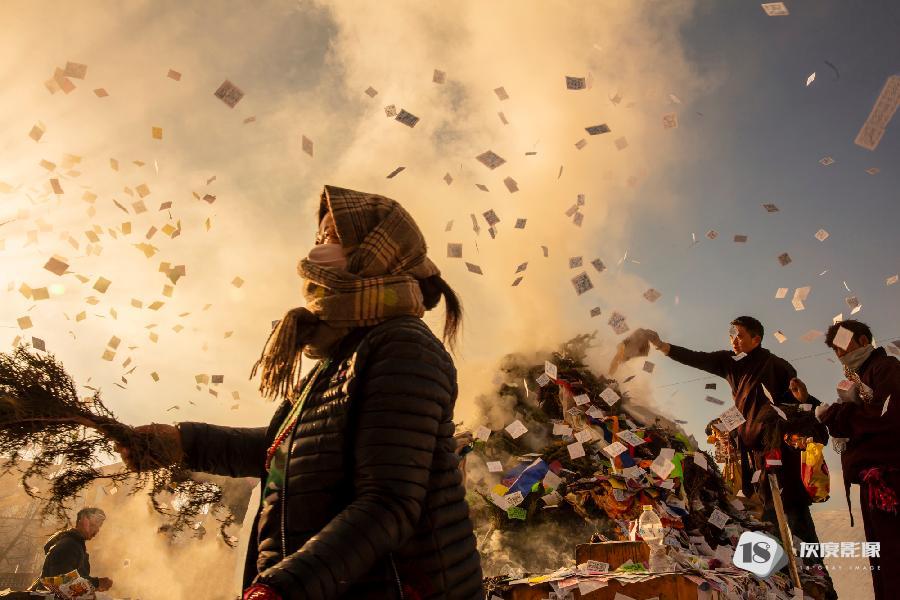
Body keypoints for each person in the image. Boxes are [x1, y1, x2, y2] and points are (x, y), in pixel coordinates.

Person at [118, 185, 483, 600]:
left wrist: (283, 589)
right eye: (318, 237)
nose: (317, 251)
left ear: (374, 254)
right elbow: (284, 452)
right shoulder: (340, 353)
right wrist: (183, 443)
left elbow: (388, 504)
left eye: (333, 238)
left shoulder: (403, 347)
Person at [644, 317, 835, 595]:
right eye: (731, 334)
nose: (734, 339)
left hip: (779, 457)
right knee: (762, 524)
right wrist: (663, 346)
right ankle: (776, 588)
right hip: (751, 462)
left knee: (796, 521)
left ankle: (820, 585)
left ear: (756, 339)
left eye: (740, 335)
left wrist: (796, 405)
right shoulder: (730, 363)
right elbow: (698, 358)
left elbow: (792, 408)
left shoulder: (778, 366)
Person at [806, 320, 900, 600]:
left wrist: (841, 416)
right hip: (874, 482)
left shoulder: (886, 368)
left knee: (894, 560)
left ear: (862, 341)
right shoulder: (858, 379)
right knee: (884, 563)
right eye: (835, 350)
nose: (840, 354)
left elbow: (887, 415)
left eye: (843, 345)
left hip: (890, 480)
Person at [31, 507, 113, 593]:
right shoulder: (68, 546)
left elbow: (68, 584)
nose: (97, 530)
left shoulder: (76, 546)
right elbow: (60, 583)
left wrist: (94, 587)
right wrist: (96, 583)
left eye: (99, 526)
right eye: (93, 525)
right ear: (83, 521)